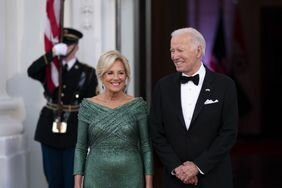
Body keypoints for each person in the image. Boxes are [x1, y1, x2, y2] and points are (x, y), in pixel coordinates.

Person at [150, 27, 238, 188]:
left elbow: (229, 133)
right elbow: (156, 133)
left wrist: (198, 166)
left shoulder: (225, 85)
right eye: (172, 51)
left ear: (198, 51)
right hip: (175, 179)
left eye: (179, 50)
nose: (174, 56)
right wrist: (177, 168)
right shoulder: (163, 86)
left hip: (214, 178)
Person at [27, 27, 98, 188]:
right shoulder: (51, 68)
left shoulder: (87, 73)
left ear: (76, 47)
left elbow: (91, 105)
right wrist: (51, 54)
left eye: (69, 44)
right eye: (62, 43)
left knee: (72, 180)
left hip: (74, 131)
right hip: (49, 129)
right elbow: (31, 71)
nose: (65, 47)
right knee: (53, 180)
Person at [73, 50, 154, 188]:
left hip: (131, 177)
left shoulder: (138, 105)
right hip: (95, 178)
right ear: (101, 76)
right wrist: (77, 185)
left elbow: (146, 147)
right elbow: (80, 148)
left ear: (126, 76)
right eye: (110, 73)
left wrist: (149, 184)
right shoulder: (87, 106)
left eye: (121, 73)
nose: (116, 78)